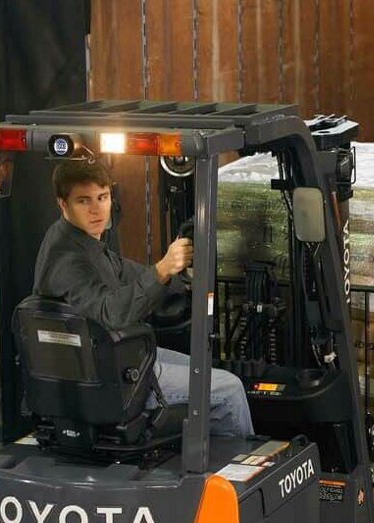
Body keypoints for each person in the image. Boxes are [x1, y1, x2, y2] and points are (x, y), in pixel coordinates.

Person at [33, 158, 253, 440]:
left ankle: (207, 454)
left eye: (102, 197)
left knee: (208, 371)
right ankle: (232, 474)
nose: (96, 209)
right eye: (83, 201)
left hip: (115, 355)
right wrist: (162, 269)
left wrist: (179, 280)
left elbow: (125, 271)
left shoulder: (79, 241)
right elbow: (110, 312)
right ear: (63, 204)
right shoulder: (68, 260)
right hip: (113, 374)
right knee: (230, 389)